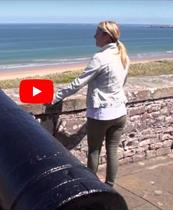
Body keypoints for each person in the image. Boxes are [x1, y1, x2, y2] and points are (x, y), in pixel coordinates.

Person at [52, 21, 129, 187]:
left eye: (97, 33)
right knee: (112, 149)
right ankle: (109, 185)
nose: (94, 36)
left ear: (106, 36)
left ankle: (92, 186)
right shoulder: (123, 56)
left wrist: (56, 96)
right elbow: (122, 83)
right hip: (120, 112)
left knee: (94, 151)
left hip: (102, 114)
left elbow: (78, 83)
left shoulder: (100, 58)